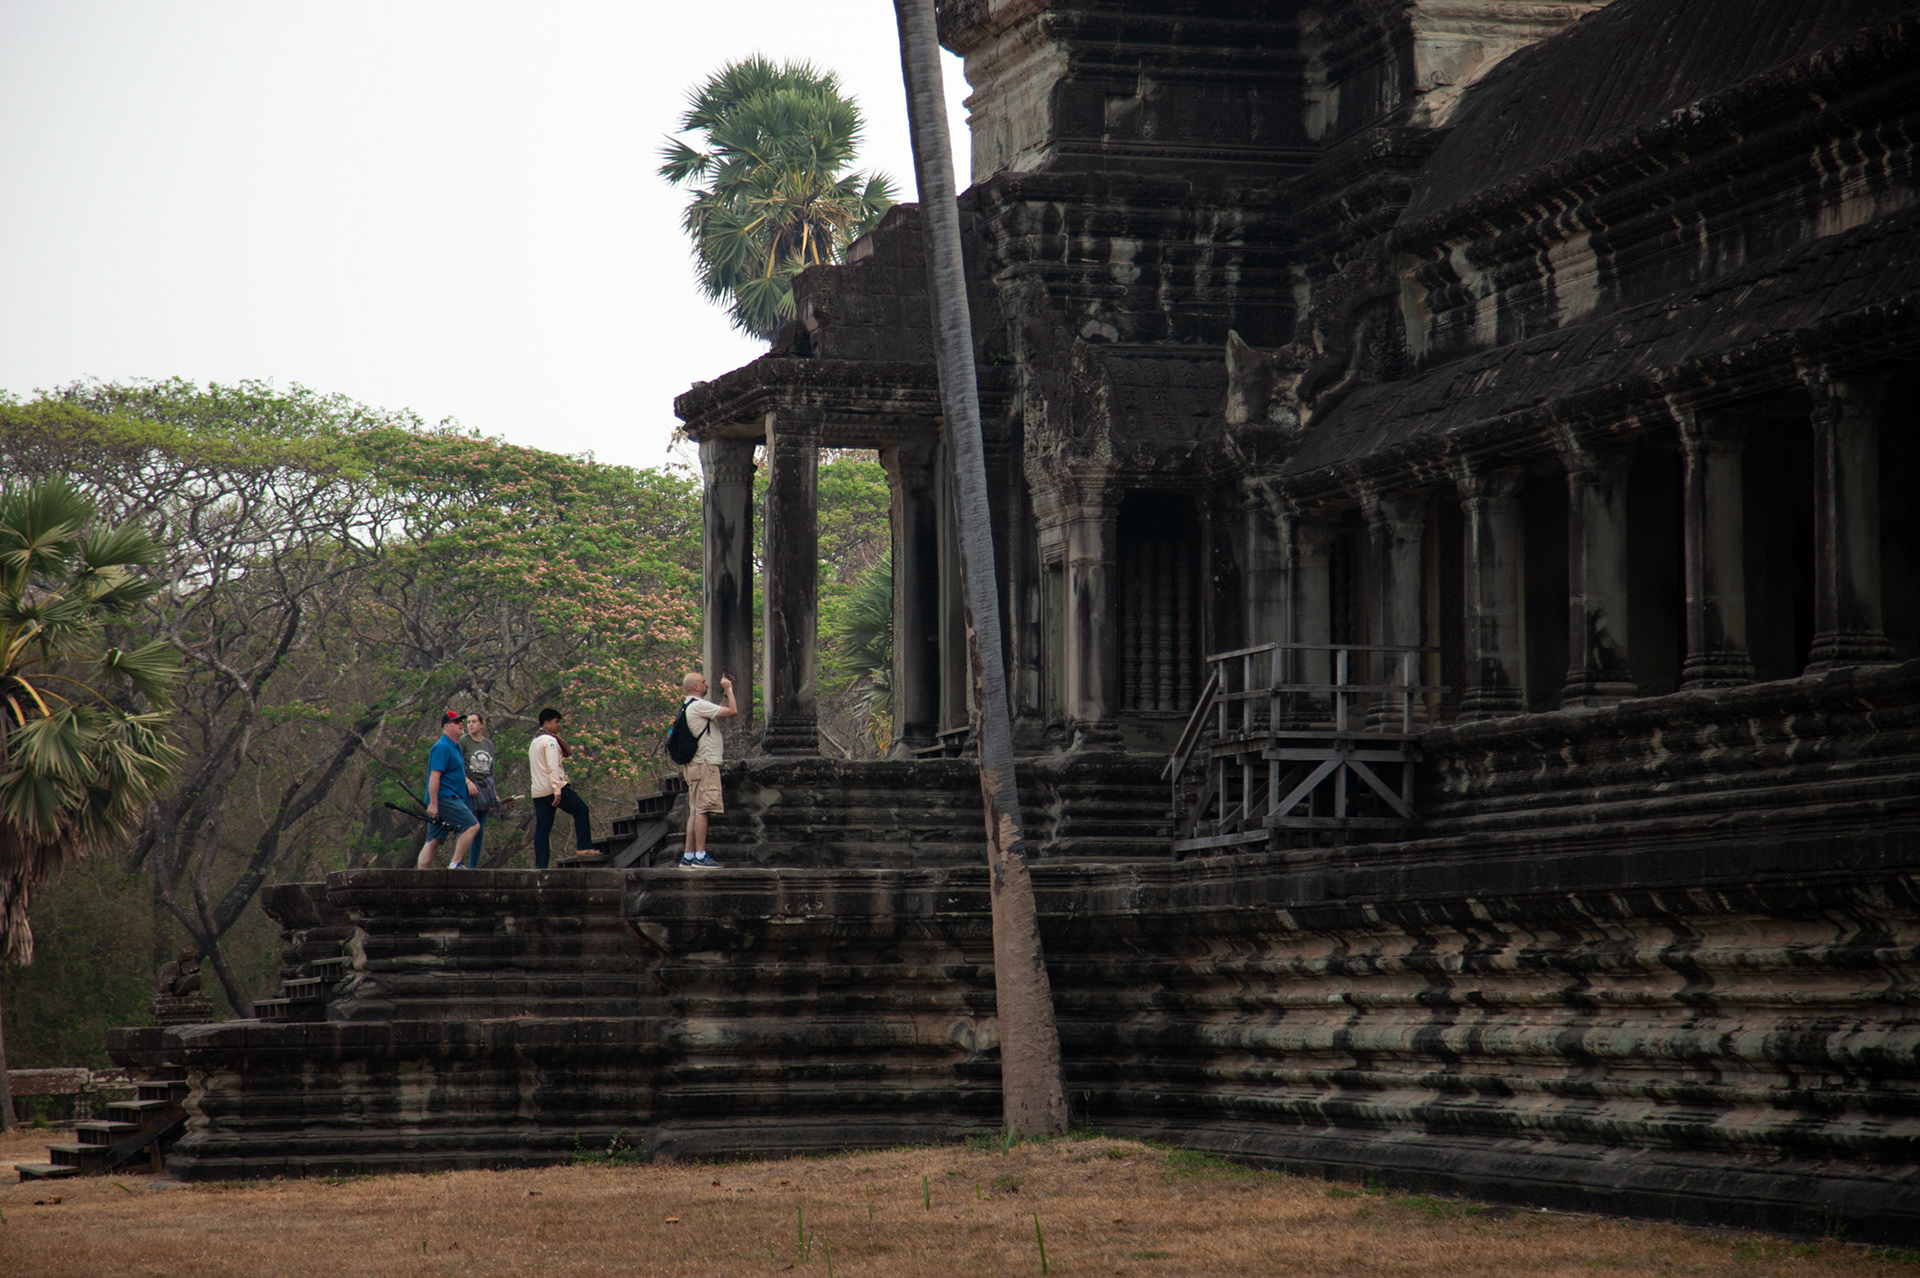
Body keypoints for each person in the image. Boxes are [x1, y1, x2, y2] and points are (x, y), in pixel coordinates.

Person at [678, 671, 737, 869]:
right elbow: (731, 712)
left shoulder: (689, 706)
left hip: (694, 765)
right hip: (705, 764)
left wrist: (723, 692)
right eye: (704, 682)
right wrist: (729, 689)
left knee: (694, 811)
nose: (706, 684)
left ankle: (688, 855)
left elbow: (718, 711)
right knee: (703, 810)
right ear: (696, 687)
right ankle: (700, 856)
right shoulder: (699, 705)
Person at [528, 706, 593, 868]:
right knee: (581, 810)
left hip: (538, 791)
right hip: (552, 788)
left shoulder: (534, 742)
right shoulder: (550, 741)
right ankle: (584, 848)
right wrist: (557, 791)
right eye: (556, 722)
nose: (558, 725)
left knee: (543, 829)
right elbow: (552, 768)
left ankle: (540, 866)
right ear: (546, 723)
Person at [418, 710, 479, 870]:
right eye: (456, 722)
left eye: (461, 721)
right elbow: (434, 777)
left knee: (433, 840)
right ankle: (455, 864)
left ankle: (420, 878)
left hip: (448, 798)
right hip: (445, 798)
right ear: (446, 726)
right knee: (472, 826)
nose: (461, 724)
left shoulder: (454, 747)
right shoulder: (442, 747)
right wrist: (433, 804)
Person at [456, 711, 500, 869]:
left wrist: (494, 792)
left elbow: (491, 769)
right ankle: (458, 862)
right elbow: (457, 766)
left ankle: (473, 866)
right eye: (469, 722)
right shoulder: (463, 741)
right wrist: (467, 782)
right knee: (468, 826)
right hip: (468, 788)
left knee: (480, 830)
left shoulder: (488, 744)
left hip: (485, 788)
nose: (471, 725)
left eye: (474, 721)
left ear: (482, 724)